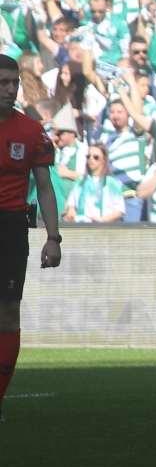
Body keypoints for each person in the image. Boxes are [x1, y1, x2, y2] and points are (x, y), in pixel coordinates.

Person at [0, 54, 62, 419]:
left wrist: (53, 237)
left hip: (10, 227)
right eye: (3, 83)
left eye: (14, 83)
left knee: (8, 314)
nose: (10, 89)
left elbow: (45, 187)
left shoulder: (31, 131)